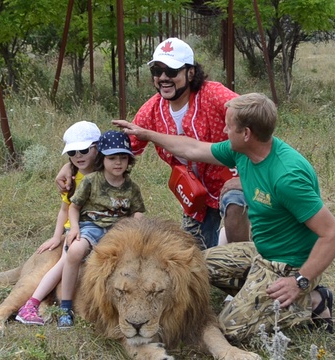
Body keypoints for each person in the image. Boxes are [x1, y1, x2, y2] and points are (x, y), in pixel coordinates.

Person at [113, 92, 335, 343]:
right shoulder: (243, 151)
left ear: (246, 133)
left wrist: (300, 280)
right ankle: (256, 291)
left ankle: (312, 300)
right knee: (191, 269)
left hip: (287, 266)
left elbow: (334, 235)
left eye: (228, 125)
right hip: (260, 252)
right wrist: (146, 134)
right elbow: (192, 147)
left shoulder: (287, 177)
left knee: (228, 331)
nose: (224, 130)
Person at [56, 37, 250, 250]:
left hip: (232, 176)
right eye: (157, 71)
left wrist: (248, 167)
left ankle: (241, 259)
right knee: (195, 257)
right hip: (196, 194)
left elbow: (251, 113)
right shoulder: (151, 110)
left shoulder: (212, 93)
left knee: (235, 202)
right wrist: (72, 164)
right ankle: (222, 242)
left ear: (190, 72)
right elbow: (117, 148)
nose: (163, 78)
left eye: (172, 71)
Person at [57, 130, 146, 328]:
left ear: (129, 161)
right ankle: (65, 306)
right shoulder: (91, 180)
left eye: (123, 158)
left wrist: (135, 226)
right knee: (75, 252)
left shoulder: (131, 187)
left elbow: (138, 212)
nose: (118, 163)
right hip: (92, 226)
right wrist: (74, 229)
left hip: (119, 232)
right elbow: (74, 206)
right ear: (102, 159)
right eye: (112, 158)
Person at [16, 121, 101, 326]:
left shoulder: (108, 169)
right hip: (77, 230)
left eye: (83, 150)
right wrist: (57, 236)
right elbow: (65, 208)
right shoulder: (73, 178)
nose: (78, 156)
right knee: (66, 260)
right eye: (72, 152)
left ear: (98, 147)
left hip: (100, 227)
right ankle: (32, 303)